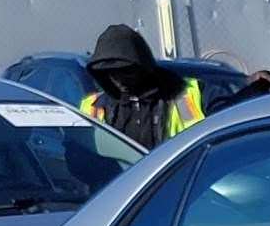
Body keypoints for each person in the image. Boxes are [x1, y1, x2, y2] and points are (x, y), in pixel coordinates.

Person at [78, 24, 206, 147]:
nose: (119, 80)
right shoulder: (92, 107)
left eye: (126, 71)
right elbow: (78, 152)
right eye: (111, 73)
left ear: (143, 67)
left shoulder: (188, 95)